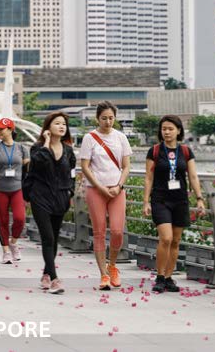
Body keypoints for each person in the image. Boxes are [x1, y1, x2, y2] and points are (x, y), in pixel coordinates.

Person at [143, 115, 206, 294]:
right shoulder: (154, 151)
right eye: (164, 129)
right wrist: (146, 201)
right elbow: (149, 177)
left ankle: (169, 277)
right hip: (160, 199)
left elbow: (193, 176)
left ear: (178, 131)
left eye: (171, 129)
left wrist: (199, 198)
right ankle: (160, 277)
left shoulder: (186, 152)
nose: (167, 132)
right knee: (166, 238)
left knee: (176, 241)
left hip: (180, 200)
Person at [79, 101, 132, 290]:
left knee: (117, 231)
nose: (108, 122)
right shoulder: (90, 138)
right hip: (96, 189)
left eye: (111, 118)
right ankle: (103, 275)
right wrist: (100, 187)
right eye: (104, 118)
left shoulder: (121, 137)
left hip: (117, 189)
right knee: (99, 232)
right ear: (97, 118)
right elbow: (85, 166)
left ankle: (112, 266)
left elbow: (126, 166)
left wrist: (119, 185)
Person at [22, 111, 76, 295]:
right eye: (57, 124)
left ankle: (46, 273)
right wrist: (46, 143)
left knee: (54, 238)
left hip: (60, 199)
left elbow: (72, 174)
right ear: (48, 128)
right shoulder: (37, 148)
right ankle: (54, 279)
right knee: (48, 238)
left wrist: (71, 191)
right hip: (40, 197)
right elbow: (39, 163)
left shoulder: (68, 151)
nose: (61, 127)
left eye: (64, 124)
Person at [0, 118, 30, 264]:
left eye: (1, 129)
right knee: (3, 220)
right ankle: (5, 251)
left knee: (20, 219)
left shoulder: (22, 149)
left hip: (17, 188)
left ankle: (13, 242)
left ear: (10, 129)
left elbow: (28, 171)